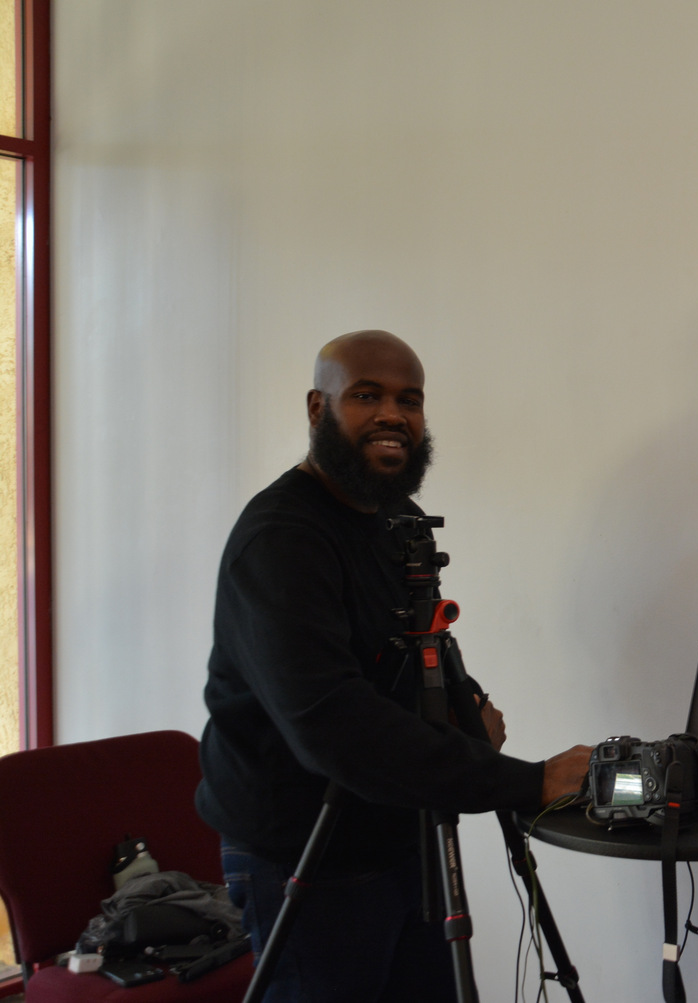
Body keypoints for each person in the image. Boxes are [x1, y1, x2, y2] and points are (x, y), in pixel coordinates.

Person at [196, 330, 592, 1002]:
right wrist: (525, 782)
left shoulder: (397, 518)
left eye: (410, 400)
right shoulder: (281, 540)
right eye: (366, 395)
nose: (392, 414)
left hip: (400, 830)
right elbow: (335, 725)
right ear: (318, 408)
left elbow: (415, 649)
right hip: (306, 849)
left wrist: (465, 708)